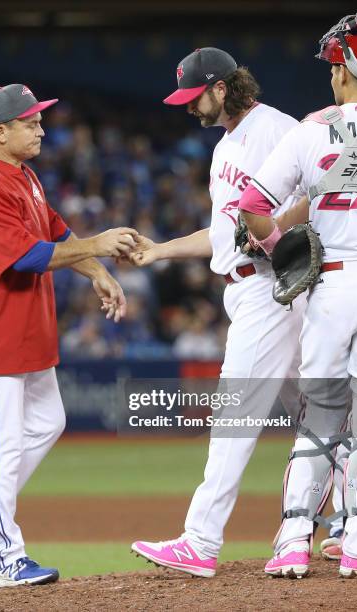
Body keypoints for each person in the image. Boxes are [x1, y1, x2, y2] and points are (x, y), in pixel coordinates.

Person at [0, 84, 137, 588]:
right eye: (30, 123)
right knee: (1, 447)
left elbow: (58, 234)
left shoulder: (23, 175)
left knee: (49, 419)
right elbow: (26, 256)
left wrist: (98, 272)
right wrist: (99, 245)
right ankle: (3, 556)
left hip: (25, 330)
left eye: (38, 120)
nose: (41, 129)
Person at [129, 47, 306, 577]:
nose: (188, 107)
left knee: (234, 416)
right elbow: (223, 233)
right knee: (324, 412)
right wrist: (159, 250)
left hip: (272, 288)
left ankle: (201, 540)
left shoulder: (275, 128)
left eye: (193, 96)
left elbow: (319, 194)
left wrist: (273, 233)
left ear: (222, 88)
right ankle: (346, 527)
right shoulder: (226, 146)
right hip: (250, 286)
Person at [240, 13, 357, 578]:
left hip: (334, 284)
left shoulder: (311, 128)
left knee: (321, 416)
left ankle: (294, 540)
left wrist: (276, 248)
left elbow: (252, 207)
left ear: (343, 69)